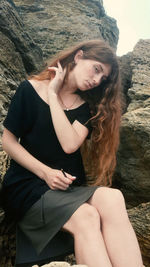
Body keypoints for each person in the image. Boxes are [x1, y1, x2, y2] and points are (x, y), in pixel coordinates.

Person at [1, 39, 143, 267]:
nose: (96, 80)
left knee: (114, 197)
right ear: (78, 56)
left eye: (102, 78)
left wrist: (54, 96)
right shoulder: (29, 90)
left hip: (67, 189)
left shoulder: (87, 108)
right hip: (28, 186)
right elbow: (8, 142)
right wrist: (46, 173)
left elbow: (69, 144)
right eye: (96, 69)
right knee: (87, 217)